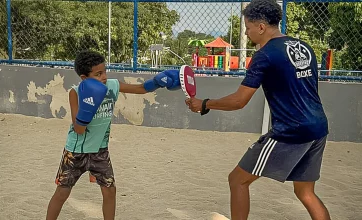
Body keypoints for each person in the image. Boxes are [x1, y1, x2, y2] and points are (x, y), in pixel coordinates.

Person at [185, 0, 331, 219]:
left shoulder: (264, 55)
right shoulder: (304, 48)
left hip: (291, 132)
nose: (247, 32)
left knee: (237, 180)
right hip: (319, 127)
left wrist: (205, 104)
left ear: (261, 27)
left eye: (248, 27)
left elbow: (239, 101)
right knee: (306, 192)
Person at [46, 50, 181, 220]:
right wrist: (89, 106)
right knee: (62, 193)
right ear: (84, 77)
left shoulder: (112, 85)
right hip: (75, 152)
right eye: (98, 74)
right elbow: (79, 129)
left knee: (110, 191)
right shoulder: (75, 92)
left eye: (104, 71)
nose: (104, 77)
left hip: (100, 151)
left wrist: (157, 82)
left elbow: (140, 89)